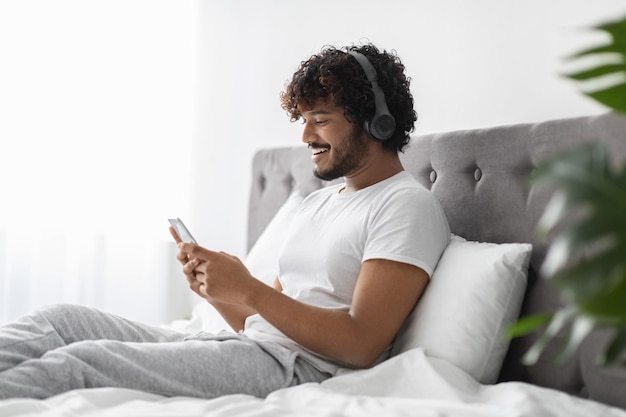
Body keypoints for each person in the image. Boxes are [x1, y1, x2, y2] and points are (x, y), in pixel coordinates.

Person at [0, 43, 450, 400]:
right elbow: (263, 319)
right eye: (304, 120)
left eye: (320, 120)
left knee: (84, 363)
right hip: (250, 348)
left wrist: (248, 288)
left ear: (377, 122)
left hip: (293, 371)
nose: (306, 136)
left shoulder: (404, 206)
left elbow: (360, 343)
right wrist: (217, 290)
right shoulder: (320, 203)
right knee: (59, 322)